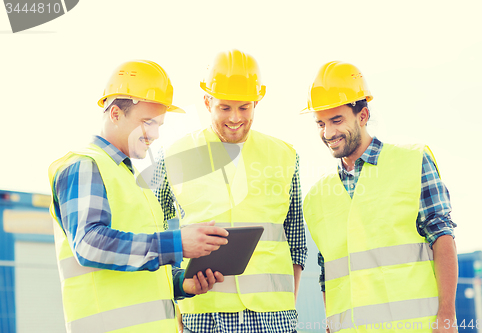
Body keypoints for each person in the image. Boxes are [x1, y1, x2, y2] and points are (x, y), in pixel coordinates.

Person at [48, 60, 229, 332]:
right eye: (147, 123)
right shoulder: (85, 165)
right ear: (116, 114)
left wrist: (181, 284)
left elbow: (140, 266)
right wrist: (177, 243)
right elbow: (89, 244)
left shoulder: (129, 180)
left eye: (159, 124)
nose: (155, 135)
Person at [153, 49, 308, 333]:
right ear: (206, 101)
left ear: (257, 100)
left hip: (273, 318)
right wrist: (176, 297)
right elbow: (156, 235)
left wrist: (287, 309)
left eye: (244, 107)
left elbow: (296, 241)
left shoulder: (285, 155)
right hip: (204, 315)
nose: (235, 118)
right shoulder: (174, 156)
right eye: (225, 108)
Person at [301, 61, 458, 333]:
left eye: (337, 120)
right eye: (321, 123)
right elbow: (328, 271)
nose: (328, 134)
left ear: (363, 115)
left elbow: (441, 236)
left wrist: (447, 315)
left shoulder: (413, 161)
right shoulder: (316, 197)